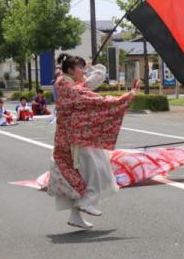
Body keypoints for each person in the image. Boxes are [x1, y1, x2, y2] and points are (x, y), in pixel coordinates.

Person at [49, 53, 139, 230]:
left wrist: (91, 67)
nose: (83, 71)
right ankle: (87, 200)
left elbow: (96, 79)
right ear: (70, 70)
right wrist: (126, 97)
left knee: (82, 174)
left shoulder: (68, 82)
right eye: (80, 67)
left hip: (75, 135)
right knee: (98, 170)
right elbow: (90, 98)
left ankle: (76, 216)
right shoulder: (66, 84)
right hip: (76, 137)